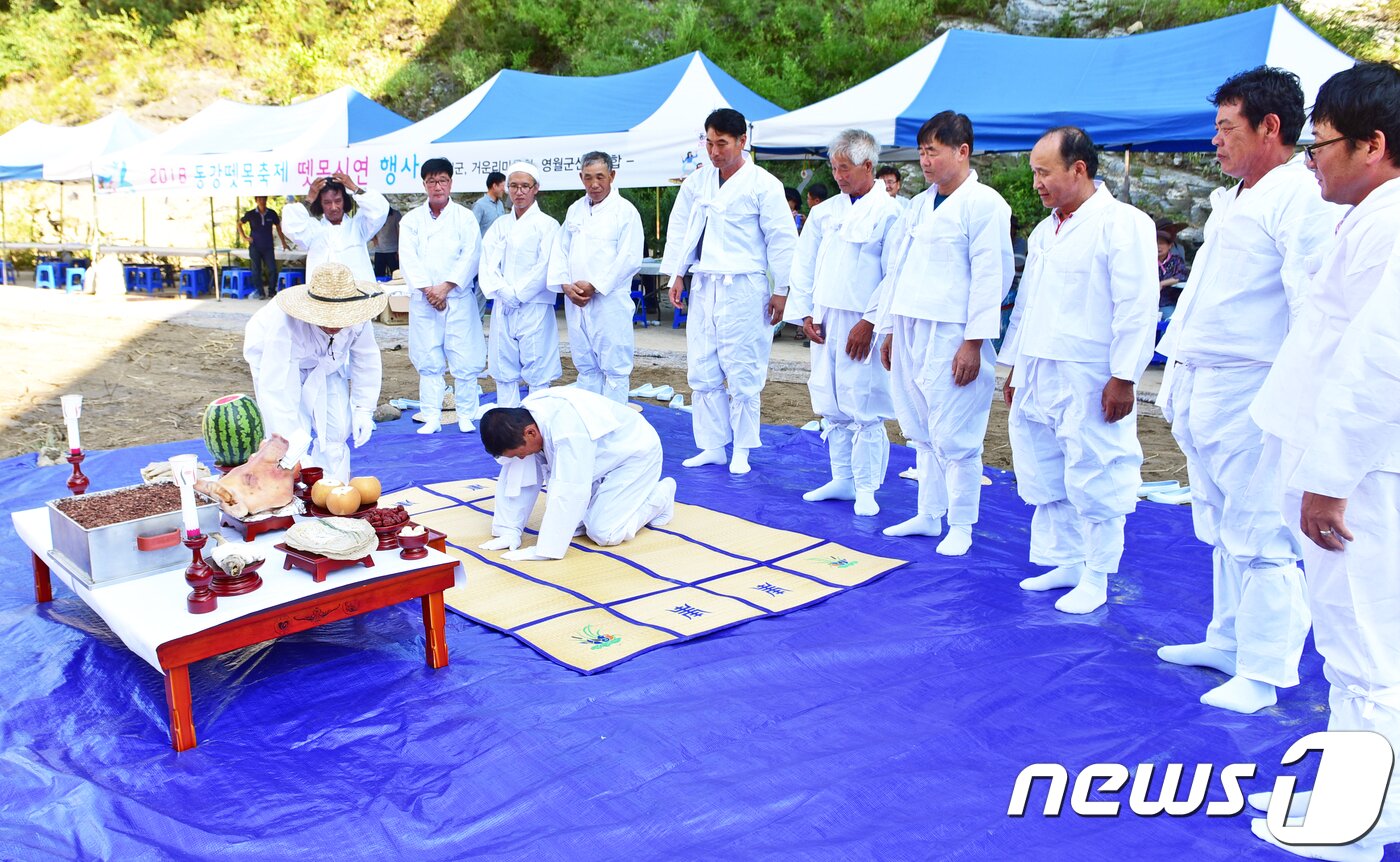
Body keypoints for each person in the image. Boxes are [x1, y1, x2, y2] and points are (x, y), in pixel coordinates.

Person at [1245, 62, 1400, 862]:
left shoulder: (1392, 224)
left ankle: (1356, 828)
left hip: (1361, 477)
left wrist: (1329, 481)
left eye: (1323, 145)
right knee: (1364, 649)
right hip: (1348, 464)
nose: (1312, 161)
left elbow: (1380, 363)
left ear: (1373, 145)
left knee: (1363, 652)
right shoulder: (1371, 215)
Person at [1154, 67, 1340, 715]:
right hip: (1207, 379)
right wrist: (1176, 378)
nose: (1215, 142)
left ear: (1270, 128)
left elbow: (1310, 305)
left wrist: (1296, 402)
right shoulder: (1233, 197)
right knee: (1222, 523)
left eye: (1226, 128)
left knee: (1262, 531)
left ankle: (1264, 671)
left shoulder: (1301, 195)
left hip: (1257, 384)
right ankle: (1228, 638)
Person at [999, 126, 1157, 614]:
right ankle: (1066, 558)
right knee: (1046, 466)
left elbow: (1137, 304)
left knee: (1097, 469)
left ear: (1079, 169)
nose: (1036, 184)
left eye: (1044, 173)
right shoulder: (1047, 230)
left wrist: (1125, 375)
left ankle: (1096, 574)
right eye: (1034, 173)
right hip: (1039, 367)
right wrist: (1012, 365)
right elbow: (1025, 304)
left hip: (1091, 371)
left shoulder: (1122, 223)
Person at [870, 111, 1013, 554]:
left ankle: (962, 525)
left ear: (962, 151)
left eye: (933, 151)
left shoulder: (985, 203)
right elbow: (897, 269)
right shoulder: (916, 205)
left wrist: (974, 341)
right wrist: (889, 327)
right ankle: (929, 514)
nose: (925, 161)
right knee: (920, 425)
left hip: (954, 329)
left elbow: (993, 275)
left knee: (956, 431)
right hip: (911, 323)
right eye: (922, 152)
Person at [660, 107, 799, 475]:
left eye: (722, 143)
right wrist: (676, 274)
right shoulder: (698, 182)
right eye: (709, 142)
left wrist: (782, 289)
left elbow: (782, 240)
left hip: (745, 286)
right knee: (702, 367)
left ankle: (741, 448)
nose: (714, 151)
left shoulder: (764, 184)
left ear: (742, 141)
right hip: (705, 283)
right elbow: (680, 229)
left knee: (742, 369)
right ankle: (712, 445)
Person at [784, 128, 900, 517]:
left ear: (868, 166)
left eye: (845, 168)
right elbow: (804, 264)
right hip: (826, 315)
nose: (838, 176)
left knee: (863, 400)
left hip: (863, 318)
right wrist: (805, 313)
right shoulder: (824, 212)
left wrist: (870, 322)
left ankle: (866, 487)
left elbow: (893, 274)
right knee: (830, 398)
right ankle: (841, 477)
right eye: (834, 168)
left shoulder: (890, 212)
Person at [477, 387, 677, 561]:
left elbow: (570, 490)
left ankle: (661, 496)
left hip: (634, 454)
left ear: (531, 433)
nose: (521, 459)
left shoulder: (568, 431)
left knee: (604, 532)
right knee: (573, 526)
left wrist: (546, 549)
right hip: (599, 459)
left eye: (520, 454)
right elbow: (518, 474)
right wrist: (509, 530)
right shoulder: (525, 419)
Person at [243, 262, 384, 483]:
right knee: (291, 439)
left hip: (327, 365)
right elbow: (278, 390)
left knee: (338, 429)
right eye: (328, 318)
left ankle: (334, 487)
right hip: (277, 364)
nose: (335, 325)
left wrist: (364, 408)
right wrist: (295, 450)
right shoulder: (284, 325)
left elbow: (366, 357)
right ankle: (298, 488)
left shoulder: (359, 316)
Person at [547, 151, 645, 403]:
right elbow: (560, 249)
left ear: (612, 176)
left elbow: (629, 258)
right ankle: (590, 421)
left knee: (614, 368)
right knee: (586, 365)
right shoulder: (575, 210)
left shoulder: (625, 212)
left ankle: (614, 429)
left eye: (600, 177)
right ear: (581, 178)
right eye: (588, 178)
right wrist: (566, 285)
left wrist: (595, 286)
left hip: (608, 301)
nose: (594, 184)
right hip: (576, 300)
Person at [399, 157, 483, 435]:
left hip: (457, 298)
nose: (437, 186)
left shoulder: (465, 217)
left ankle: (466, 414)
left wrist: (446, 287)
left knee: (464, 358)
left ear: (450, 182)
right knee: (428, 358)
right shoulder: (411, 220)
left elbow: (470, 255)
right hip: (425, 301)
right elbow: (409, 259)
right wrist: (428, 290)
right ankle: (432, 415)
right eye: (432, 181)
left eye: (442, 180)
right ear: (424, 184)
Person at [479, 162, 561, 408]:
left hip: (533, 305)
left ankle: (538, 420)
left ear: (536, 188)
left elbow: (545, 265)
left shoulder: (548, 225)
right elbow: (487, 262)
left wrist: (519, 293)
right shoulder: (500, 225)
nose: (519, 191)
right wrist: (504, 291)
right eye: (513, 185)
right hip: (504, 304)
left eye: (525, 186)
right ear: (507, 188)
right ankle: (508, 424)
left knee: (538, 367)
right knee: (504, 367)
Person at [282, 172, 389, 284]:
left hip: (358, 298)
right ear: (320, 204)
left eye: (338, 201)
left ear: (345, 200)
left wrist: (354, 187)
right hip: (322, 299)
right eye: (327, 202)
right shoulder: (312, 230)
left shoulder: (358, 226)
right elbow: (291, 225)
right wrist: (309, 199)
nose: (333, 207)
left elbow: (379, 211)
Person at [238, 196, 292, 299]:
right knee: (256, 270)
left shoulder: (272, 213)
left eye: (264, 199)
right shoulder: (251, 214)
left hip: (268, 246)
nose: (262, 201)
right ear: (256, 201)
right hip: (255, 246)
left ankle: (272, 291)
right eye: (260, 199)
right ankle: (260, 292)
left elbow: (279, 228)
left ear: (266, 200)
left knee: (272, 269)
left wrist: (284, 243)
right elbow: (239, 224)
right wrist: (244, 237)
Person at [1156, 229, 1188, 307]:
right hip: (1148, 302)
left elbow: (1181, 275)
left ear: (1170, 246)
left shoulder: (1176, 260)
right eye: (1156, 243)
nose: (1158, 247)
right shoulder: (1147, 261)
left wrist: (1162, 283)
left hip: (1168, 302)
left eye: (1162, 243)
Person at [371, 206, 402, 280]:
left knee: (397, 276)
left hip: (393, 250)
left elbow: (400, 232)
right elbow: (370, 228)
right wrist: (373, 238)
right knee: (378, 275)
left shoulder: (396, 214)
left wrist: (399, 250)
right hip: (379, 251)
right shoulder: (375, 215)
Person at [472, 171, 508, 236]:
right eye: (502, 186)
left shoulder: (500, 204)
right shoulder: (480, 205)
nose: (504, 190)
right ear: (494, 186)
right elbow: (472, 230)